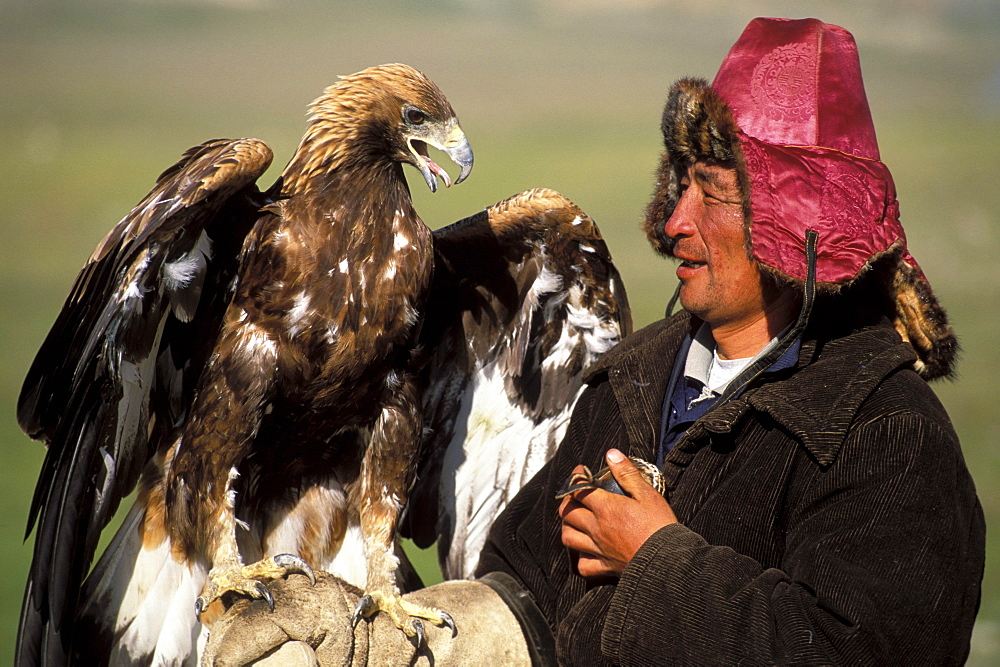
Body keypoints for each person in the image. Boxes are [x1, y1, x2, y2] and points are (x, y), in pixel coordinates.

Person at [204, 17, 985, 665]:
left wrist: (658, 561)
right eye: (677, 185)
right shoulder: (635, 382)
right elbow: (525, 592)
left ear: (801, 226)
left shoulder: (886, 439)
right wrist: (401, 647)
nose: (675, 220)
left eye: (711, 195)